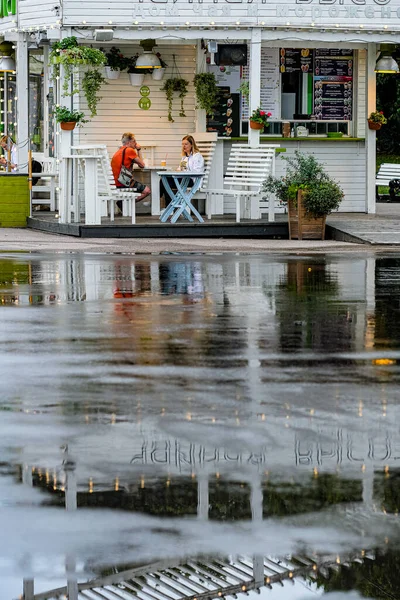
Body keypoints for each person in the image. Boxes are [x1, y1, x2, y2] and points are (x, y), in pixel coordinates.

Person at [160, 135, 205, 207]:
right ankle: (168, 204)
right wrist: (178, 171)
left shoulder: (197, 156)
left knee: (167, 182)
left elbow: (197, 172)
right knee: (163, 180)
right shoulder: (184, 157)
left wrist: (183, 172)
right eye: (182, 144)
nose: (184, 146)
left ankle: (169, 205)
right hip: (184, 179)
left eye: (186, 144)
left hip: (193, 181)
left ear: (191, 144)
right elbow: (181, 168)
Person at [111, 132, 151, 211]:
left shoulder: (120, 151)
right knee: (147, 191)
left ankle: (123, 203)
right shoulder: (129, 150)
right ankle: (123, 203)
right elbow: (142, 165)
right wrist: (139, 149)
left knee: (138, 187)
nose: (136, 143)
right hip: (123, 181)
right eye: (134, 141)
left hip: (115, 181)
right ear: (129, 142)